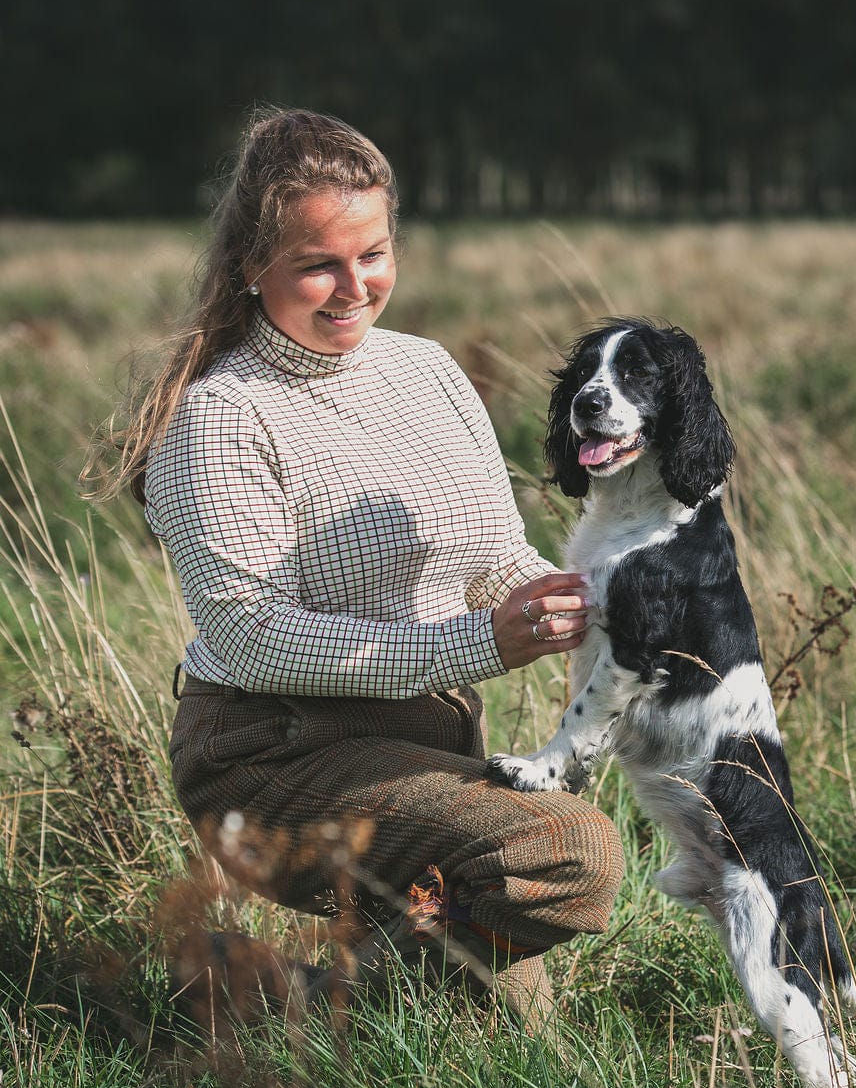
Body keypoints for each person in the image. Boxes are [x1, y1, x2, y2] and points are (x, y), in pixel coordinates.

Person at [90, 107, 624, 1026]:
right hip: (275, 754)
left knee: (496, 1038)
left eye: (372, 254)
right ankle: (290, 1001)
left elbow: (493, 553)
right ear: (253, 267)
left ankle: (288, 995)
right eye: (317, 265)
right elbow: (253, 642)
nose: (354, 286)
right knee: (572, 851)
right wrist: (482, 643)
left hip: (425, 744)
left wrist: (568, 601)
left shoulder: (425, 371)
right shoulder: (221, 419)